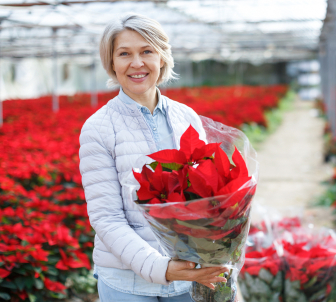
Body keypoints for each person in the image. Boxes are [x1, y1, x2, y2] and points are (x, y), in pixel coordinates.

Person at [79, 13, 228, 301]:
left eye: (147, 51)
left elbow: (207, 195)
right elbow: (107, 218)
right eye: (124, 54)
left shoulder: (187, 117)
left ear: (162, 57)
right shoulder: (98, 127)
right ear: (112, 63)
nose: (137, 63)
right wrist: (161, 268)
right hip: (128, 283)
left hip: (189, 275)